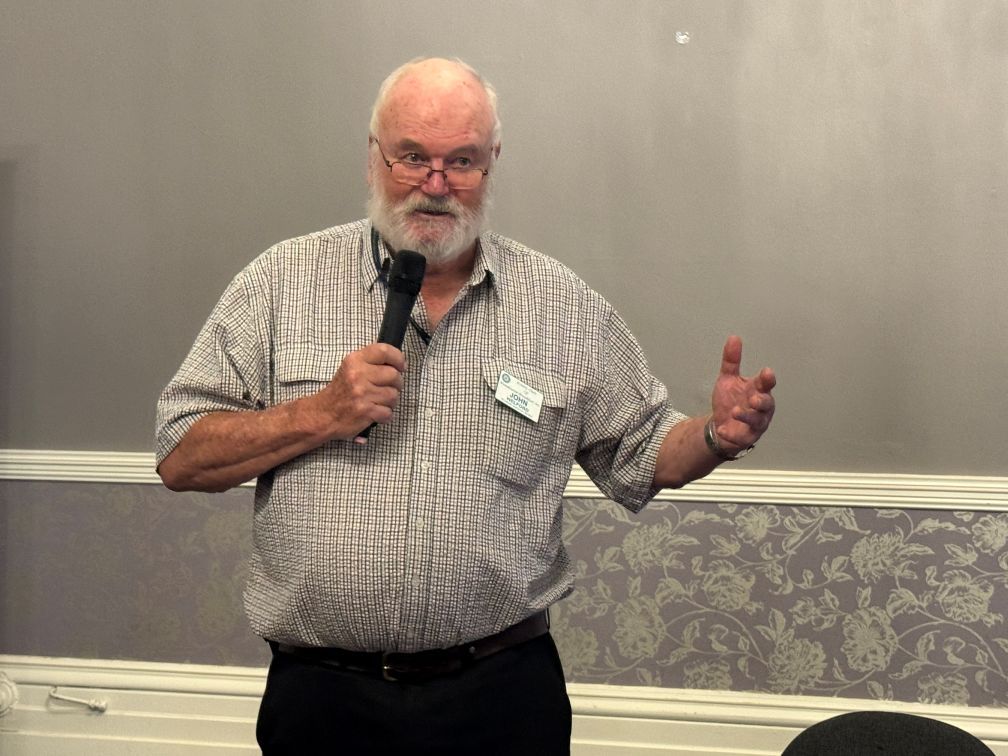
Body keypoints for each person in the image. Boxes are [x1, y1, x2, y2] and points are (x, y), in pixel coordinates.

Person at [155, 57, 776, 755]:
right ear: (373, 156)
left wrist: (716, 435)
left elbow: (643, 452)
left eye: (462, 161)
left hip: (500, 698)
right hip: (324, 701)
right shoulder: (279, 283)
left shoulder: (563, 306)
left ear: (492, 163)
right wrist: (320, 413)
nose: (436, 183)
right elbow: (180, 455)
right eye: (412, 157)